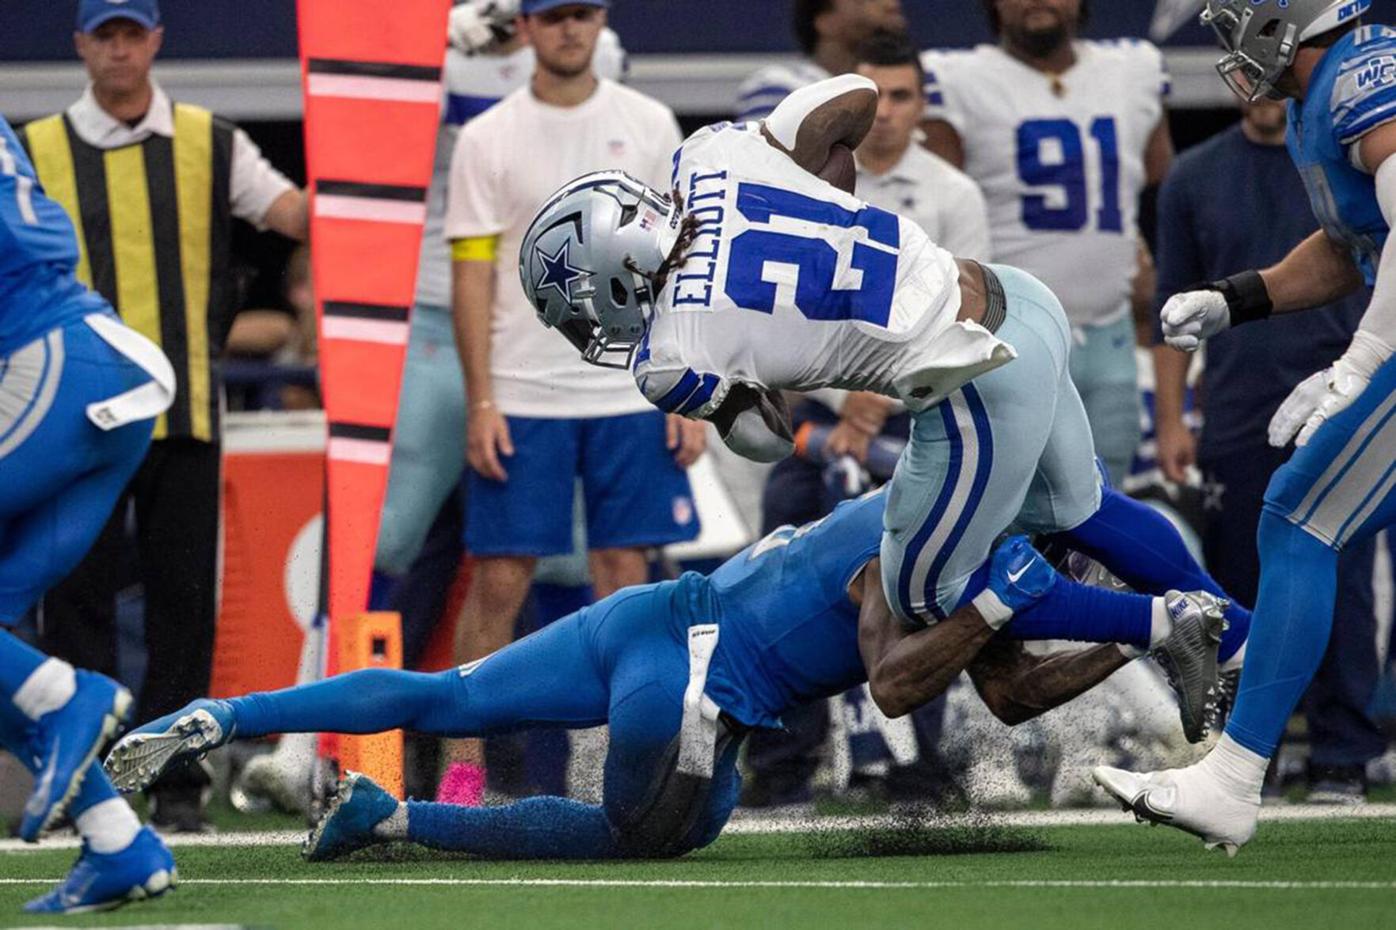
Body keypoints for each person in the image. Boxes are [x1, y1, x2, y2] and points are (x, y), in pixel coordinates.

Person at [521, 74, 1253, 741]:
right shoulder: (707, 155)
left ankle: (1165, 622)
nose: (592, 328)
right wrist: (831, 201)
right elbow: (853, 96)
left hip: (976, 378)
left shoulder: (668, 355)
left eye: (582, 309)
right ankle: (1245, 634)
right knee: (1081, 508)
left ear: (616, 270)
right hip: (1020, 300)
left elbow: (765, 439)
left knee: (932, 592)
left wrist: (761, 361)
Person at [108, 491, 1228, 860]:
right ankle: (401, 821)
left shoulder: (946, 514)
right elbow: (892, 686)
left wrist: (1119, 640)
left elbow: (1005, 692)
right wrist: (1002, 603)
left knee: (445, 693)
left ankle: (225, 717)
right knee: (654, 833)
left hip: (648, 619)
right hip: (700, 680)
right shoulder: (934, 545)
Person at [1096, 0, 1396, 853]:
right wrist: (1237, 299)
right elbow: (1351, 244)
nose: (1231, 41)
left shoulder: (1365, 72)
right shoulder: (1320, 94)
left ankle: (1231, 780)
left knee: (1300, 517)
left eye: (1243, 17)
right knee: (1300, 517)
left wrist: (1363, 360)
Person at [20, 0, 308, 831]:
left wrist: (370, 162)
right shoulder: (35, 149)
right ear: (80, 44)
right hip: (75, 422)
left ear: (154, 40)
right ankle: (81, 790)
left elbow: (290, 212)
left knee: (184, 606)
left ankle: (178, 793)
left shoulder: (211, 141)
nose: (118, 49)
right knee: (76, 608)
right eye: (103, 34)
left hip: (182, 415)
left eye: (130, 33)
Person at [442, 0, 706, 806]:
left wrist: (685, 382)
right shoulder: (487, 137)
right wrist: (481, 399)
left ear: (601, 21)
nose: (569, 30)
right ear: (523, 28)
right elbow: (472, 276)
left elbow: (683, 261)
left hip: (629, 388)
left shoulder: (652, 122)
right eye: (552, 16)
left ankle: (608, 769)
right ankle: (460, 774)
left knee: (626, 579)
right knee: (499, 583)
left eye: (582, 14)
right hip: (523, 392)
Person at [741, 31, 993, 811]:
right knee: (780, 585)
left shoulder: (954, 193)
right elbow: (770, 306)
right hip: (812, 426)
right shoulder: (794, 183)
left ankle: (917, 764)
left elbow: (970, 311)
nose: (887, 116)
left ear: (925, 104)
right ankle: (785, 764)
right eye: (872, 98)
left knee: (922, 591)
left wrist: (872, 400)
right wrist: (836, 403)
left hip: (919, 425)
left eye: (905, 97)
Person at [1151, 97, 1382, 803]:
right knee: (1242, 578)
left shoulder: (1350, 152)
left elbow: (1363, 259)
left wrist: (1365, 365)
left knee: (1339, 575)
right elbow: (1173, 299)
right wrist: (1172, 417)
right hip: (1242, 399)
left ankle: (1343, 751)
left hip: (1347, 387)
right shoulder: (1193, 173)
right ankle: (1251, 750)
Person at [0, 112, 177, 914]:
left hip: (60, 361)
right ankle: (117, 840)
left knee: (45, 684)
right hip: (89, 368)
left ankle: (65, 696)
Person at [921, 0, 1174, 485]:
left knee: (1105, 491)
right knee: (1013, 492)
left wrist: (1131, 244)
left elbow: (1158, 179)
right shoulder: (955, 77)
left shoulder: (1134, 67)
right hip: (1011, 330)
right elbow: (942, 206)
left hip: (1110, 326)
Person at [734, 0, 906, 122]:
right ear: (824, 21)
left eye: (899, 96)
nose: (891, 4)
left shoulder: (915, 79)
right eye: (863, 1)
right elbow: (764, 165)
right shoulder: (779, 86)